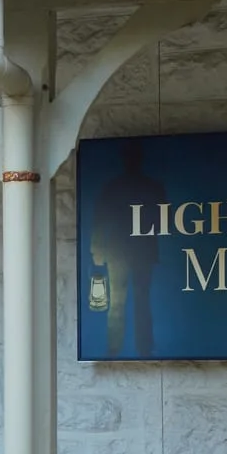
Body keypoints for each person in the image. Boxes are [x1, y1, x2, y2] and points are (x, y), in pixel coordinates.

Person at [89, 140, 166, 357]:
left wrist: (98, 252)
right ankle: (121, 349)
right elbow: (99, 221)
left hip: (131, 250)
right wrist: (97, 252)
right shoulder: (145, 186)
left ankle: (139, 348)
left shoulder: (122, 186)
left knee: (135, 301)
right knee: (123, 302)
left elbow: (162, 221)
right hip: (123, 250)